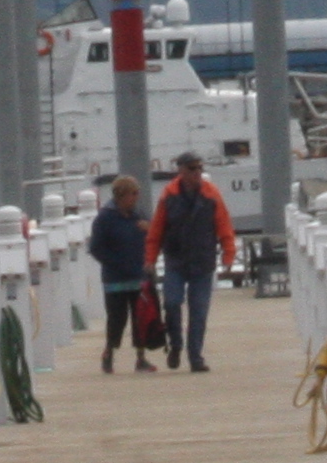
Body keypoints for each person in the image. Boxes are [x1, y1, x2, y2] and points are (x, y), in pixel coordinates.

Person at [149, 150, 237, 374]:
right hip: (175, 261)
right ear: (181, 171)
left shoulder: (212, 194)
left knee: (198, 311)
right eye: (192, 168)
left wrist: (228, 254)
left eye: (200, 168)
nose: (197, 172)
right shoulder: (168, 195)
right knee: (171, 303)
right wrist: (150, 259)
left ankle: (195, 357)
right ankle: (176, 345)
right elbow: (156, 230)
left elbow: (224, 225)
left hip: (202, 261)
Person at [89, 174, 153, 373]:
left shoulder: (139, 214)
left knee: (140, 318)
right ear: (121, 195)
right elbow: (95, 248)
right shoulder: (105, 218)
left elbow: (155, 238)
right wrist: (116, 262)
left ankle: (141, 358)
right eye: (133, 193)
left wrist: (150, 230)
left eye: (137, 193)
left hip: (139, 277)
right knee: (117, 319)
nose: (137, 197)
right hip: (115, 279)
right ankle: (109, 352)